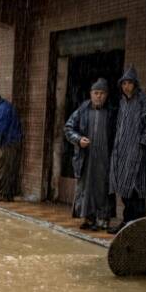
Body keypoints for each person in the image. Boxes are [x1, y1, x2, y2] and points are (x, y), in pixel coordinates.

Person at [108, 66, 146, 234]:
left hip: (138, 155)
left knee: (136, 191)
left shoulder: (144, 100)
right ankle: (127, 223)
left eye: (129, 83)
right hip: (122, 154)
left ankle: (135, 226)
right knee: (124, 190)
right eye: (124, 83)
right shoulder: (123, 102)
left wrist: (142, 146)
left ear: (135, 84)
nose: (126, 86)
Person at [64, 78, 118, 231]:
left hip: (105, 157)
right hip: (86, 157)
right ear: (91, 94)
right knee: (87, 188)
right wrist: (78, 139)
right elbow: (68, 128)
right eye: (96, 93)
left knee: (104, 188)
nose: (98, 96)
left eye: (102, 93)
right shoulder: (82, 110)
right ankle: (88, 218)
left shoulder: (112, 112)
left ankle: (103, 219)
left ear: (106, 95)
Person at [0, 90, 23, 201]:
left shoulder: (1, 109)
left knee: (5, 168)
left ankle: (3, 194)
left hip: (8, 142)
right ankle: (9, 194)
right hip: (14, 140)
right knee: (11, 168)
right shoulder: (7, 106)